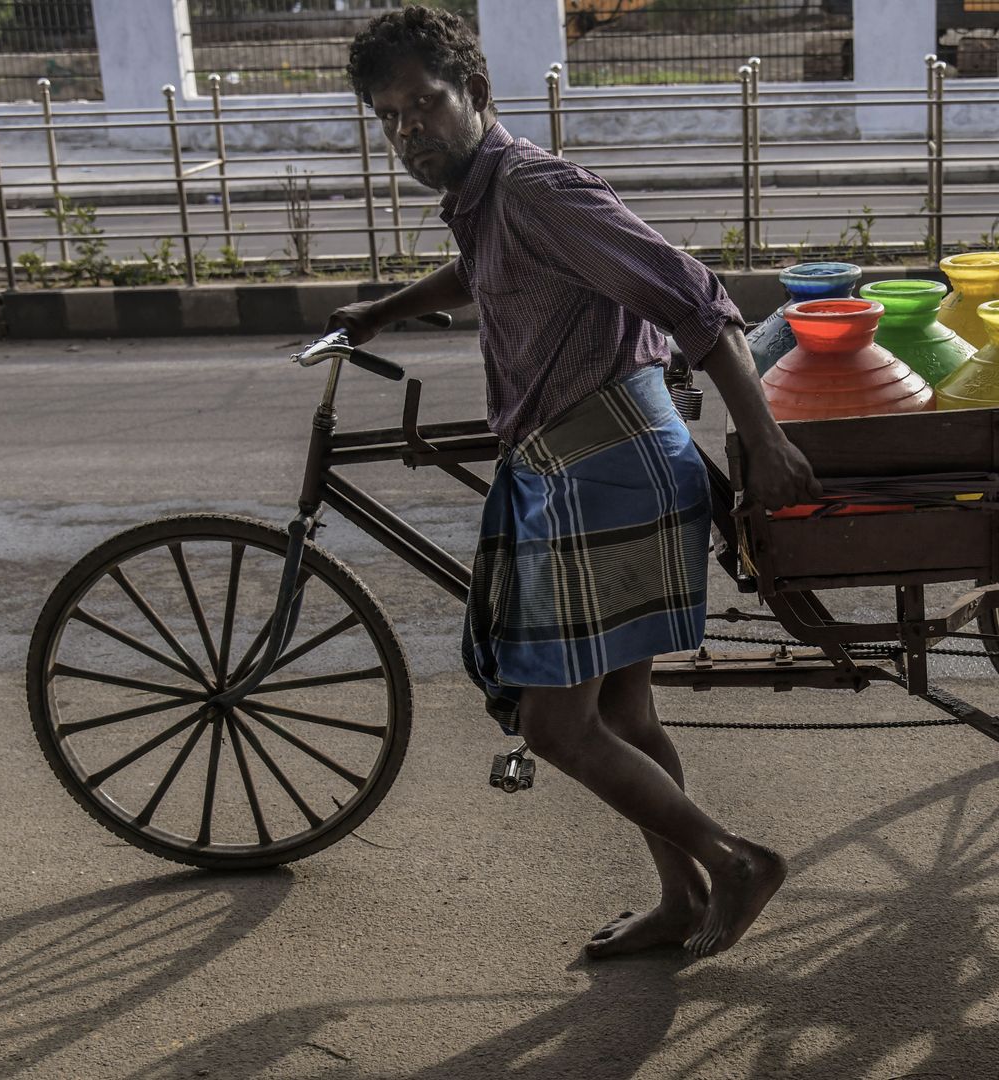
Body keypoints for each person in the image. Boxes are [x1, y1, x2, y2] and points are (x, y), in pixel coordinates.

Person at [327, 6, 820, 960]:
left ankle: (736, 860)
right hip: (584, 468)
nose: (408, 131)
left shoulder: (536, 190)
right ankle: (680, 903)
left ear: (474, 94)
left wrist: (762, 440)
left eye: (423, 105)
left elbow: (691, 295)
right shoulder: (488, 200)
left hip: (612, 471)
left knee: (557, 725)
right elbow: (482, 272)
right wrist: (384, 311)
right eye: (388, 117)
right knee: (625, 714)